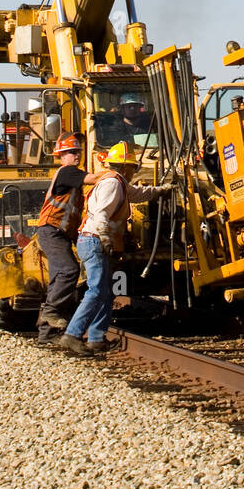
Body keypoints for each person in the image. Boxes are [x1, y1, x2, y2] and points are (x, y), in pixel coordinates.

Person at [58, 142, 171, 357]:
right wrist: (105, 238)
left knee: (106, 292)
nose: (134, 171)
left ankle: (96, 339)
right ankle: (72, 335)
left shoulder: (118, 182)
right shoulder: (112, 183)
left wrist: (161, 191)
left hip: (93, 240)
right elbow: (101, 213)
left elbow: (138, 194)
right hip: (93, 240)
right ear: (125, 167)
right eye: (132, 167)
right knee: (97, 291)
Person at [36, 133, 101, 344]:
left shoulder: (71, 179)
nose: (76, 155)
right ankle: (51, 311)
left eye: (78, 152)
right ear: (61, 156)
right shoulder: (67, 172)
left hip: (59, 233)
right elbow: (92, 178)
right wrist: (113, 174)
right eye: (71, 152)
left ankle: (46, 335)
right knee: (69, 270)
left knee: (57, 279)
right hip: (51, 230)